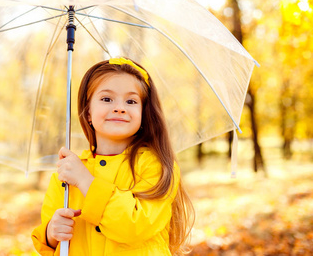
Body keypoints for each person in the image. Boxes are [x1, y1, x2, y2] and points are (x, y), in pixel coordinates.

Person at [31, 57, 194, 255]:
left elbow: (136, 226)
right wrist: (51, 233)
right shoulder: (66, 172)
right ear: (88, 112)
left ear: (143, 112)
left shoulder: (155, 165)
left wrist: (86, 182)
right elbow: (50, 240)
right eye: (107, 99)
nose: (119, 107)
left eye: (131, 101)